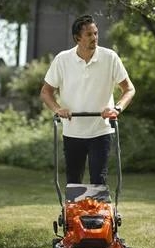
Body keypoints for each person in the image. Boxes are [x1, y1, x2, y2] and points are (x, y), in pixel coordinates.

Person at [40, 14, 135, 186]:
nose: (95, 38)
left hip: (101, 130)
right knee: (73, 182)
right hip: (72, 131)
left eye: (96, 33)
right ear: (77, 38)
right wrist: (58, 109)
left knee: (99, 181)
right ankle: (74, 205)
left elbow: (129, 89)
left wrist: (117, 109)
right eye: (89, 34)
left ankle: (98, 206)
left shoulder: (110, 57)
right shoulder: (62, 59)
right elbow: (46, 92)